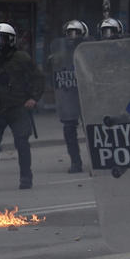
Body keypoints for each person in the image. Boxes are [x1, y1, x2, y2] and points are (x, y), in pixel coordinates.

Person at [0, 23, 45, 191]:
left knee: (21, 142)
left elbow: (38, 78)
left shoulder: (21, 58)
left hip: (18, 108)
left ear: (11, 40)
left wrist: (34, 98)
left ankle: (26, 177)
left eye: (2, 39)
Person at [48, 20, 89, 173]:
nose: (71, 37)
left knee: (91, 130)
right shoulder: (61, 51)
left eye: (75, 33)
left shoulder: (88, 50)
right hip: (69, 95)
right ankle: (75, 162)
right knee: (69, 129)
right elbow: (54, 68)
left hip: (87, 96)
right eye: (69, 33)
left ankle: (97, 159)